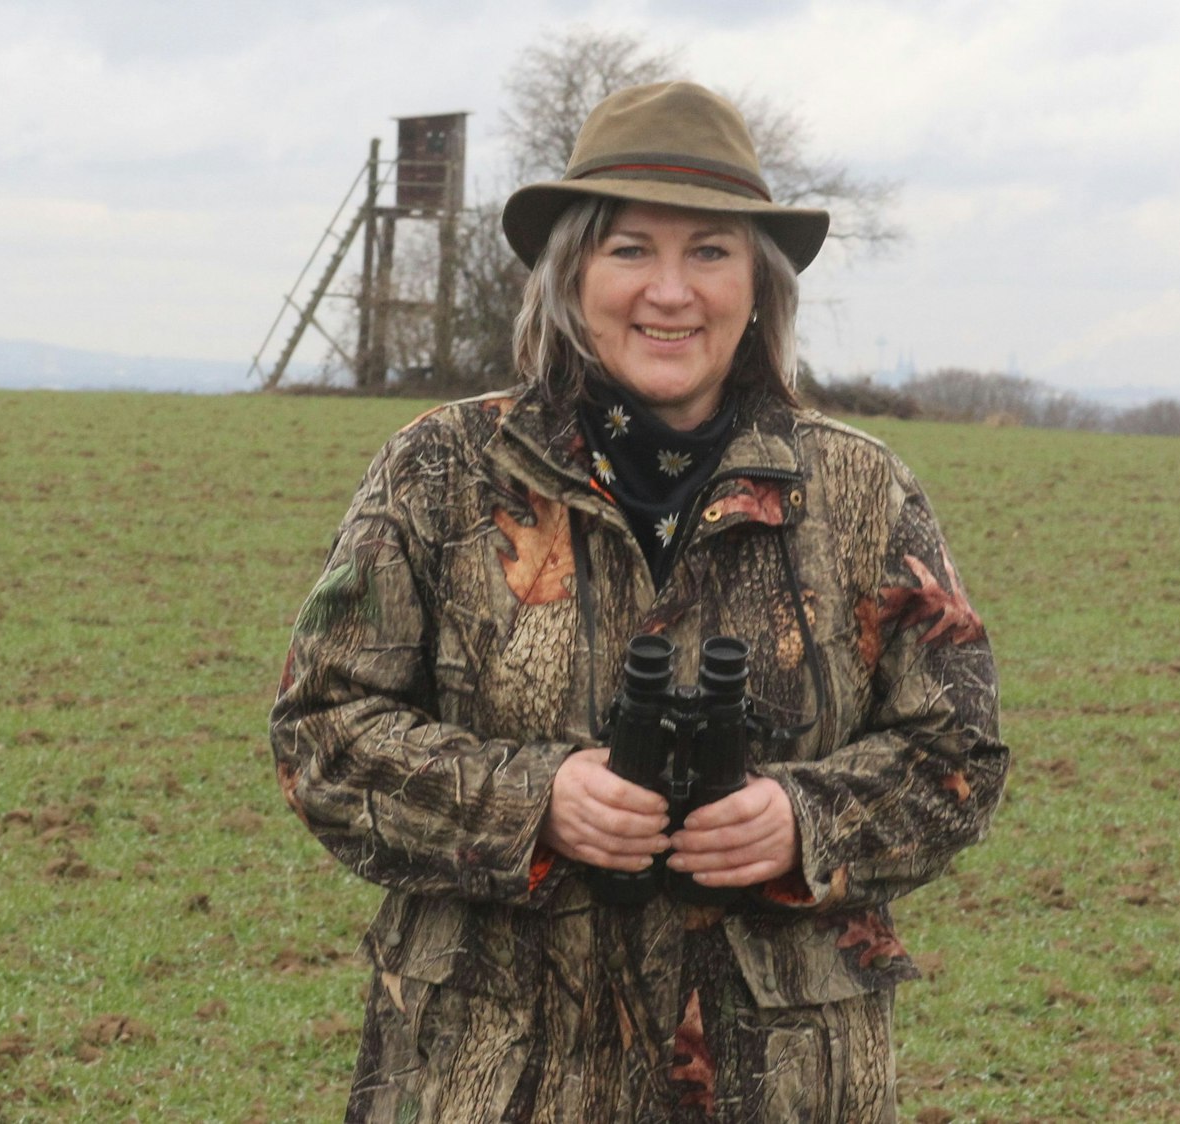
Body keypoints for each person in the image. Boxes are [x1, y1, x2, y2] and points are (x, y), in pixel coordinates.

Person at [270, 80, 1007, 1123]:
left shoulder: (859, 491)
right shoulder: (440, 470)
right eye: (629, 250)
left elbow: (959, 756)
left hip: (783, 1088)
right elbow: (321, 732)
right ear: (571, 276)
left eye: (709, 251)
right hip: (488, 1079)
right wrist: (533, 802)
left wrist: (801, 822)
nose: (670, 291)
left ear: (758, 284)